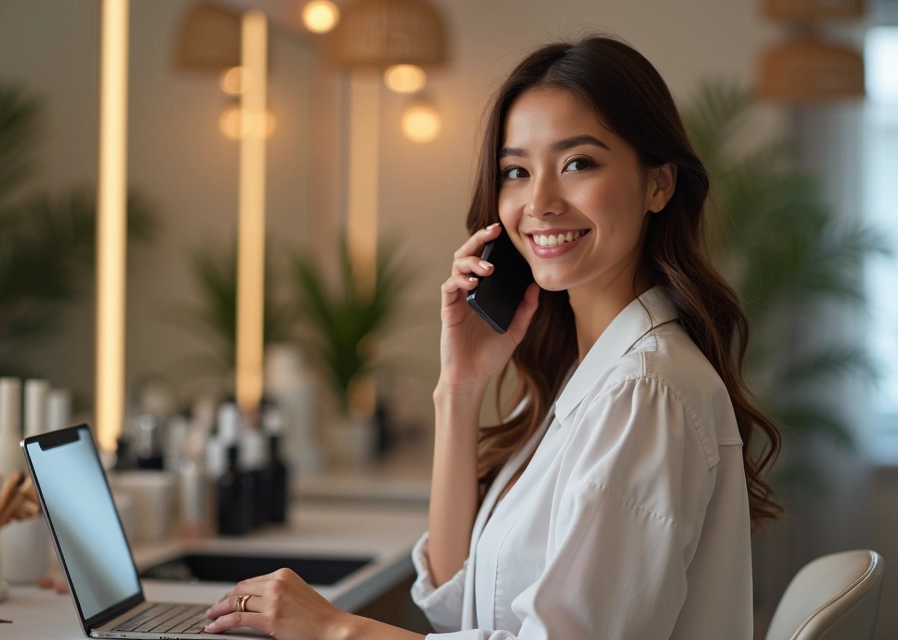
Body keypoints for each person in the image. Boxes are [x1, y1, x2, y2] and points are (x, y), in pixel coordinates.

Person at [203, 35, 782, 640]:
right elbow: (457, 605)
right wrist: (460, 387)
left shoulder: (644, 391)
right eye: (516, 171)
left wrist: (333, 630)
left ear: (659, 185)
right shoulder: (583, 378)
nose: (540, 202)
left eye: (578, 163)